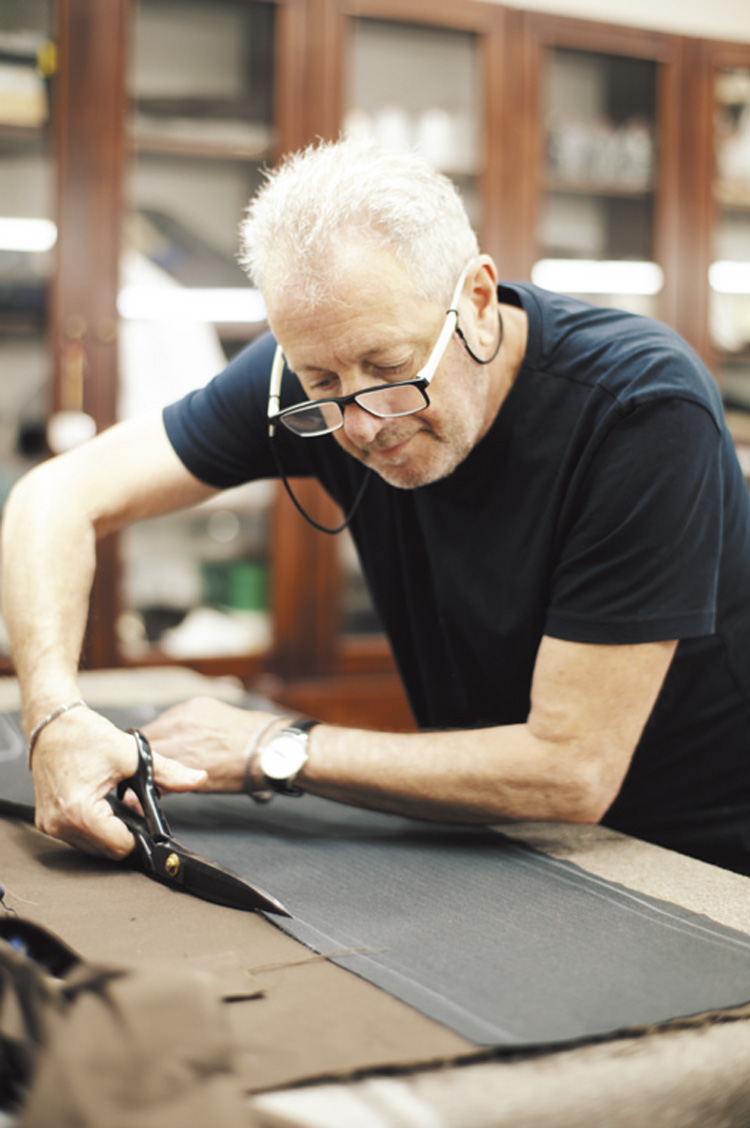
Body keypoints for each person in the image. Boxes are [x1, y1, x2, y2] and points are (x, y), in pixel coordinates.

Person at [2, 138, 750, 873]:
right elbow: (55, 495)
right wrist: (53, 718)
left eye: (391, 368)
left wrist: (272, 748)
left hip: (693, 850)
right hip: (499, 834)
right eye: (320, 383)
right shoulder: (310, 369)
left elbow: (571, 768)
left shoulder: (641, 408)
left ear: (479, 302)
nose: (360, 423)